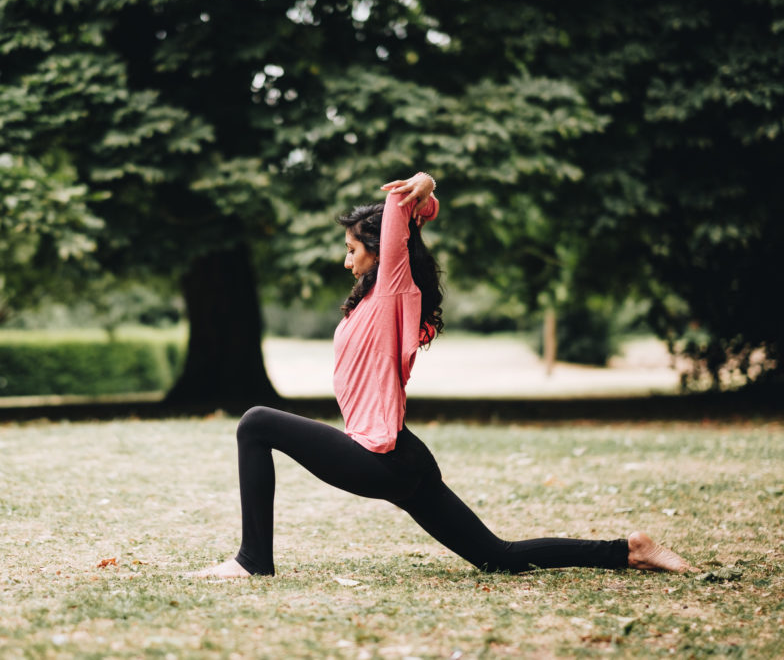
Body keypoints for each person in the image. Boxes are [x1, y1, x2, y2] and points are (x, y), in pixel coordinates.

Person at [189, 171, 692, 579]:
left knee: (256, 422)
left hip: (379, 456)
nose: (347, 260)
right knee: (499, 557)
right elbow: (406, 223)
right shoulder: (371, 298)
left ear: (381, 254)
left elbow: (397, 221)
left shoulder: (391, 291)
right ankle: (628, 551)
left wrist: (424, 185)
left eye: (351, 249)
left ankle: (253, 560)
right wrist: (422, 207)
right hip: (403, 457)